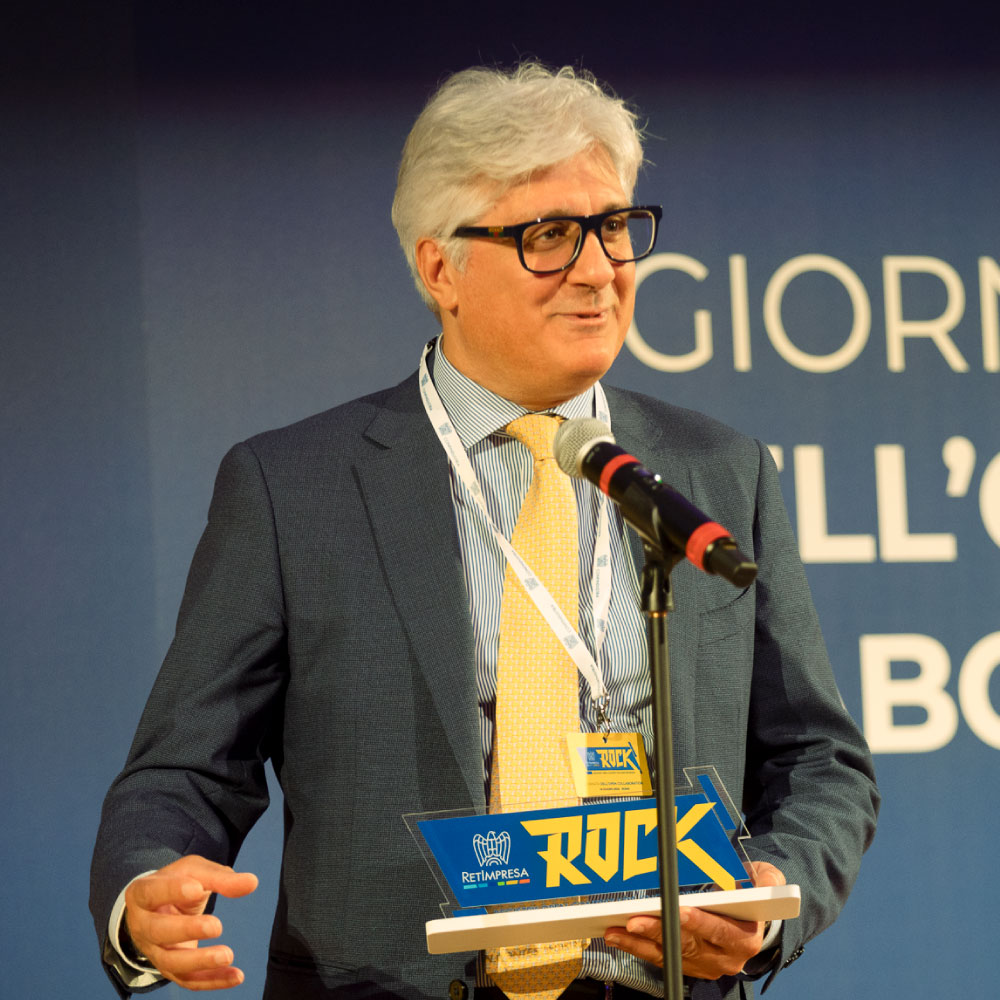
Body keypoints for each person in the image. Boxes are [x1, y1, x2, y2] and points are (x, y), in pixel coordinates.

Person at [90, 63, 879, 1000]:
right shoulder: (293, 488)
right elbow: (187, 765)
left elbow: (819, 760)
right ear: (441, 269)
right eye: (549, 237)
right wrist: (147, 891)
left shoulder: (716, 471)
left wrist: (770, 896)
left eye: (615, 228)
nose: (600, 269)